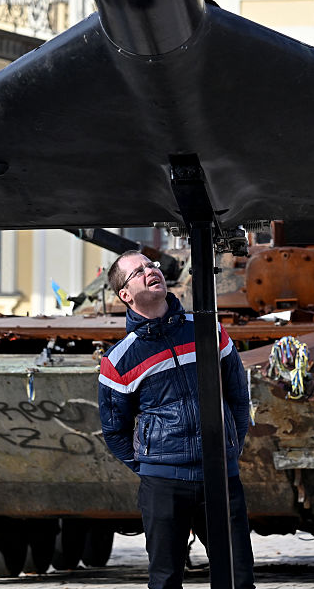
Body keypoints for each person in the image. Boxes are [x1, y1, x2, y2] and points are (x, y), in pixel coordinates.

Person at [98, 250, 254, 589]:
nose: (150, 271)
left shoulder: (208, 330)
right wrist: (153, 467)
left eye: (151, 265)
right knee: (165, 581)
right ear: (125, 295)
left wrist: (229, 448)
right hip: (164, 485)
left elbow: (238, 396)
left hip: (220, 476)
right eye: (138, 271)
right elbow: (114, 430)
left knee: (238, 579)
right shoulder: (119, 360)